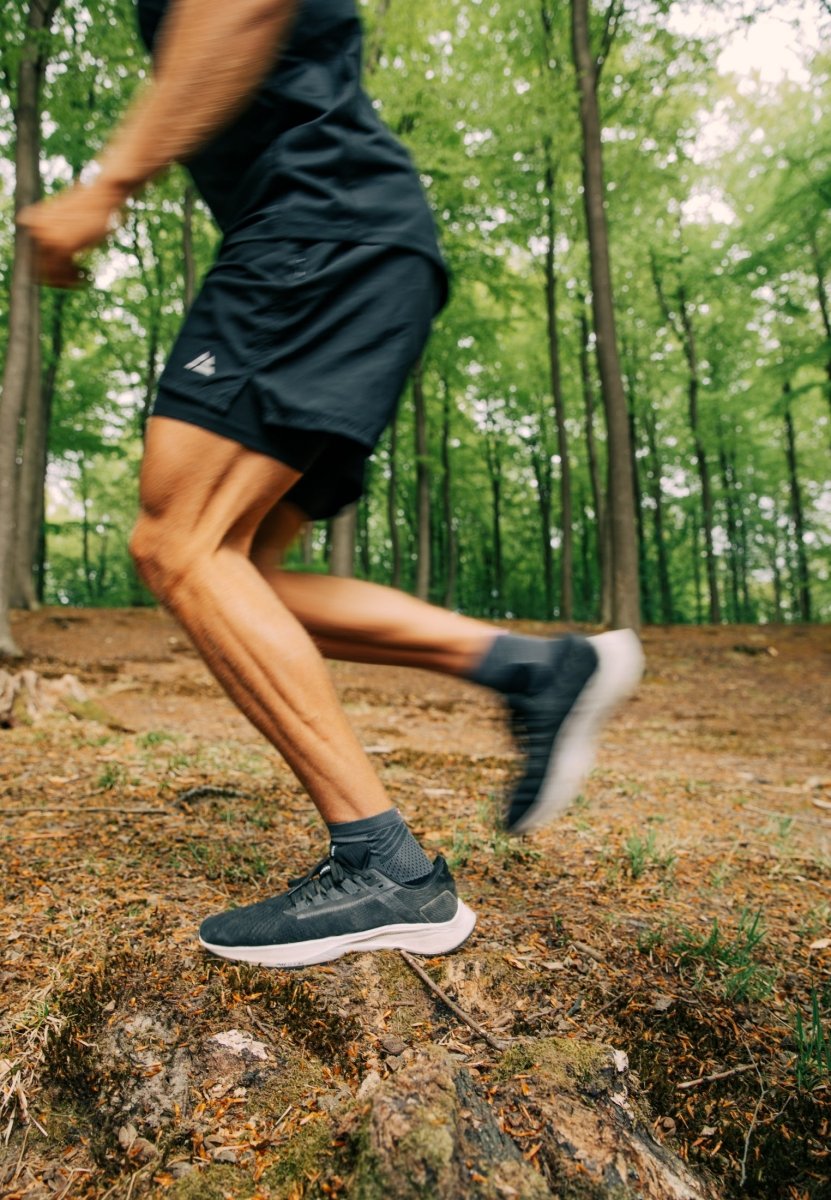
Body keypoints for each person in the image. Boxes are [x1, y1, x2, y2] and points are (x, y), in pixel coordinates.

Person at [19, 0, 644, 969]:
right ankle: (530, 669)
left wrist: (110, 181)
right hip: (354, 242)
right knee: (241, 572)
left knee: (176, 539)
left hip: (316, 234)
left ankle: (384, 866)